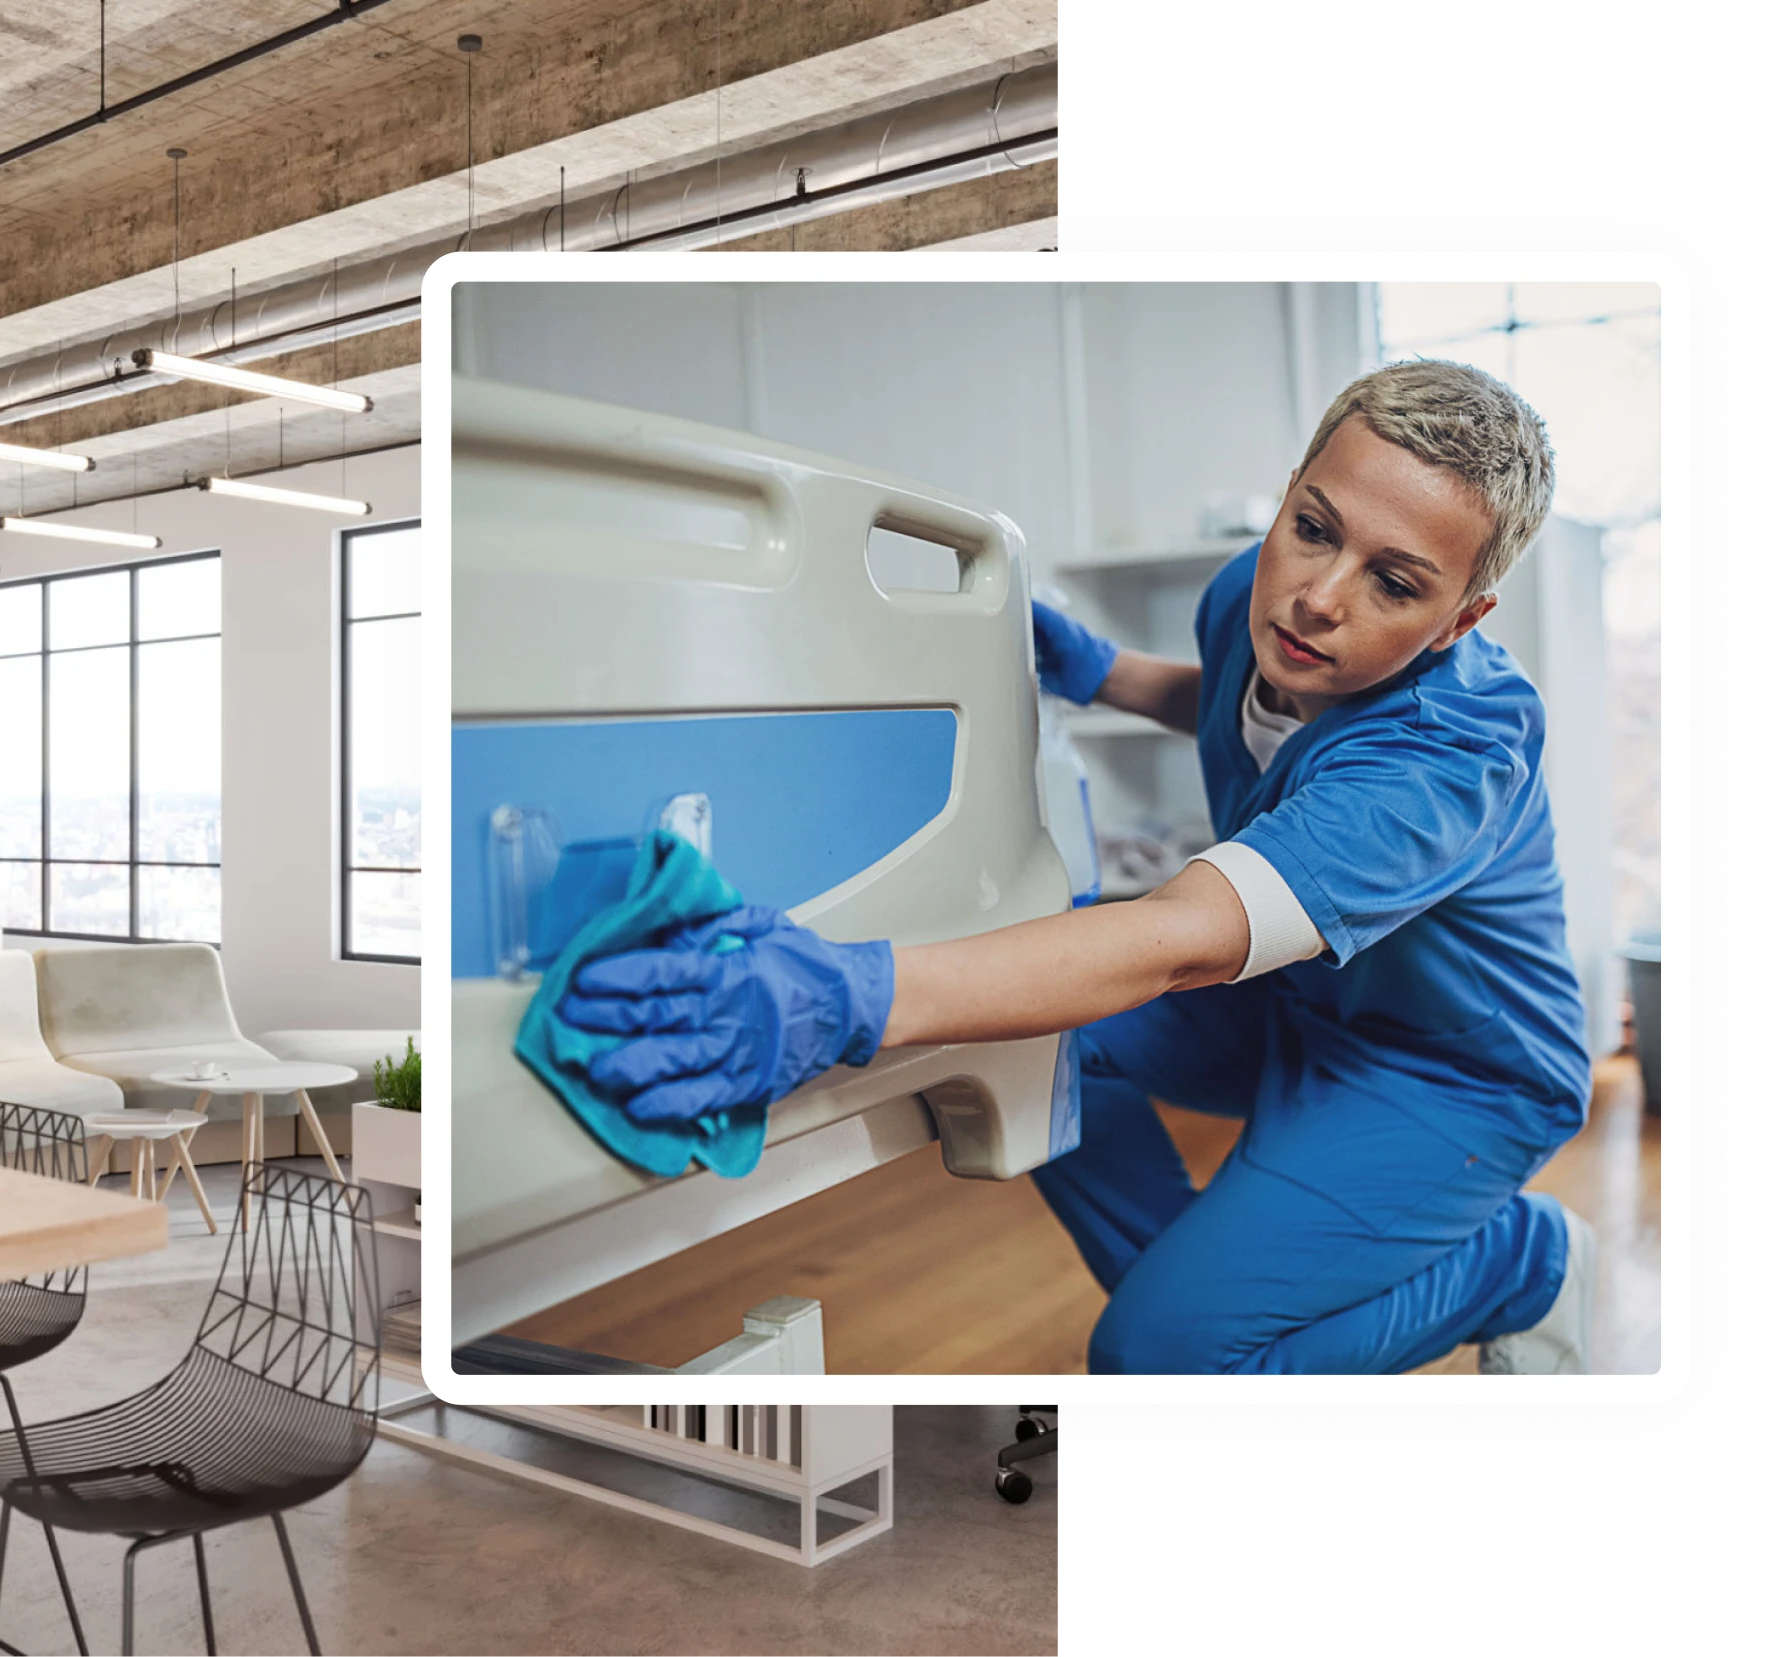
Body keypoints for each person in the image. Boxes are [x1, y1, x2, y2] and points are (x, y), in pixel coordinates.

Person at [557, 360, 1597, 1376]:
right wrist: (1107, 673)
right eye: (1314, 528)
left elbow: (1184, 940)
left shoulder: (1454, 748)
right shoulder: (1259, 598)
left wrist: (856, 990)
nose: (1318, 599)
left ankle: (1522, 1265)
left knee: (1160, 1351)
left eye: (1395, 582)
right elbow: (1261, 709)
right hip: (1300, 1001)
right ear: (1286, 500)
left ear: (1460, 620)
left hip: (1448, 1072)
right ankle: (1196, 1335)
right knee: (1053, 1046)